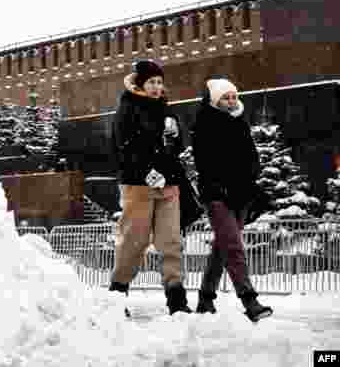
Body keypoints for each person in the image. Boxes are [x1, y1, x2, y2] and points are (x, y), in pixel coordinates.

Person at [108, 59, 192, 315]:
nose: (157, 87)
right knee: (134, 241)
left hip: (169, 185)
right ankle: (116, 296)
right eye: (152, 82)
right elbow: (123, 147)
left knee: (171, 242)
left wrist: (177, 136)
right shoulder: (128, 108)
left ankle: (177, 300)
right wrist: (146, 172)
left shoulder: (167, 110)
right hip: (138, 186)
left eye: (159, 82)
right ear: (140, 83)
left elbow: (178, 147)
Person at [190, 78, 273, 322]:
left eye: (233, 96)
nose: (230, 101)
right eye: (225, 97)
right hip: (216, 195)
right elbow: (204, 162)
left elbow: (252, 158)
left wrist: (251, 181)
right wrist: (220, 186)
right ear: (215, 100)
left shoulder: (240, 123)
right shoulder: (205, 123)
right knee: (233, 247)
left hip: (241, 195)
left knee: (222, 247)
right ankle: (250, 300)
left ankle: (206, 298)